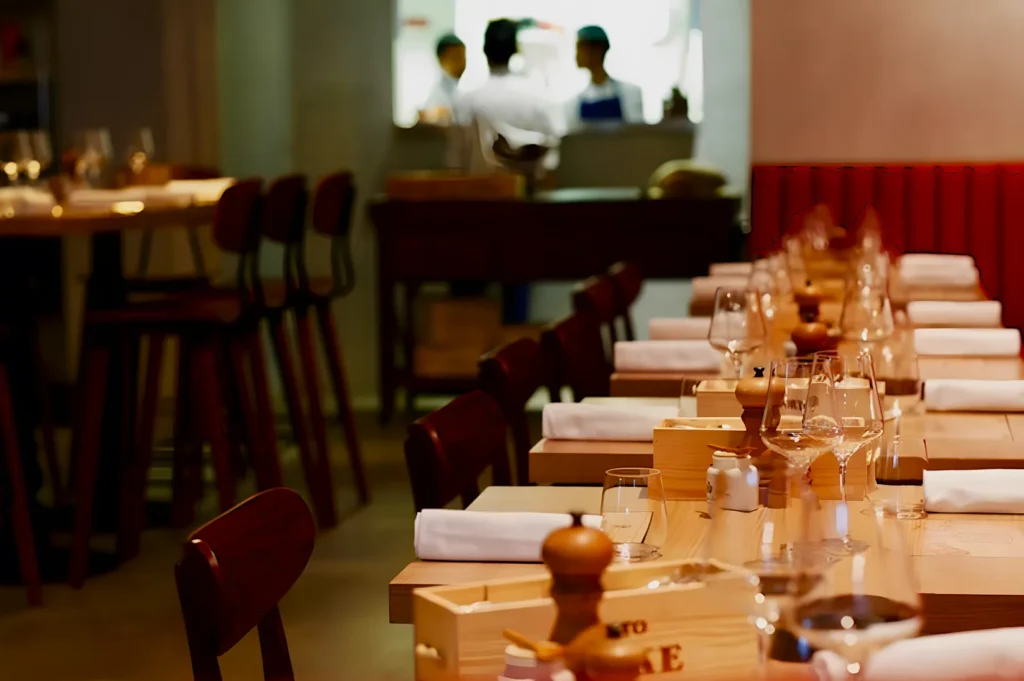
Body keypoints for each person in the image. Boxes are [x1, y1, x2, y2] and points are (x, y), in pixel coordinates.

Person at [450, 18, 563, 174]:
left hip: (481, 191)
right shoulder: (535, 98)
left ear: (484, 50)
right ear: (516, 50)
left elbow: (458, 157)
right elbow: (553, 153)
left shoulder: (467, 102)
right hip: (528, 191)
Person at [567, 25, 644, 129]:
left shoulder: (629, 93)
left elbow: (636, 135)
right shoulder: (576, 102)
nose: (576, 55)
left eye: (579, 48)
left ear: (597, 50)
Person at [419, 33, 466, 125]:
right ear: (441, 60)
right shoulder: (434, 97)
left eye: (463, 57)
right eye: (455, 58)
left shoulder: (460, 92)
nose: (461, 63)